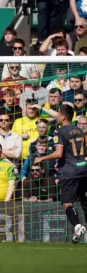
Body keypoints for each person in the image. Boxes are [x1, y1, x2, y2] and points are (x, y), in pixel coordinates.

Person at [35, 104, 87, 243]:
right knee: (84, 200)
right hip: (83, 169)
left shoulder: (59, 132)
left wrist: (42, 158)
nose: (57, 116)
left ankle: (77, 226)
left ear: (63, 116)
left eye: (58, 114)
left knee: (67, 202)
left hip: (69, 172)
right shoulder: (80, 130)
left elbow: (59, 153)